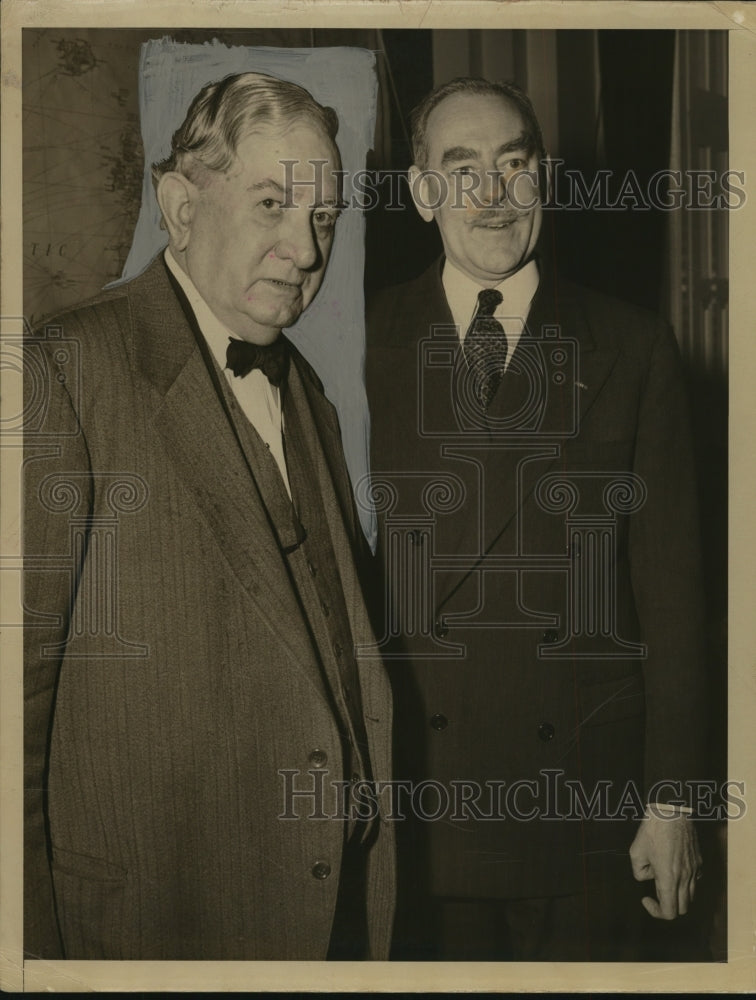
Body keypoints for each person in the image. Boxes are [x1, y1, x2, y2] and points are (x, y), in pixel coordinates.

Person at [24, 71, 394, 961]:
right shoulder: (64, 368)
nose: (304, 249)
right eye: (272, 204)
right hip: (147, 924)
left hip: (319, 916)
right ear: (181, 208)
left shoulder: (308, 391)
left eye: (324, 216)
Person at [366, 77, 706, 961]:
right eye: (462, 169)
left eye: (514, 165)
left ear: (544, 179)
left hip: (584, 803)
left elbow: (674, 601)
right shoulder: (355, 345)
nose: (493, 194)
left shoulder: (632, 345)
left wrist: (673, 801)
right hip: (418, 802)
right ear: (422, 192)